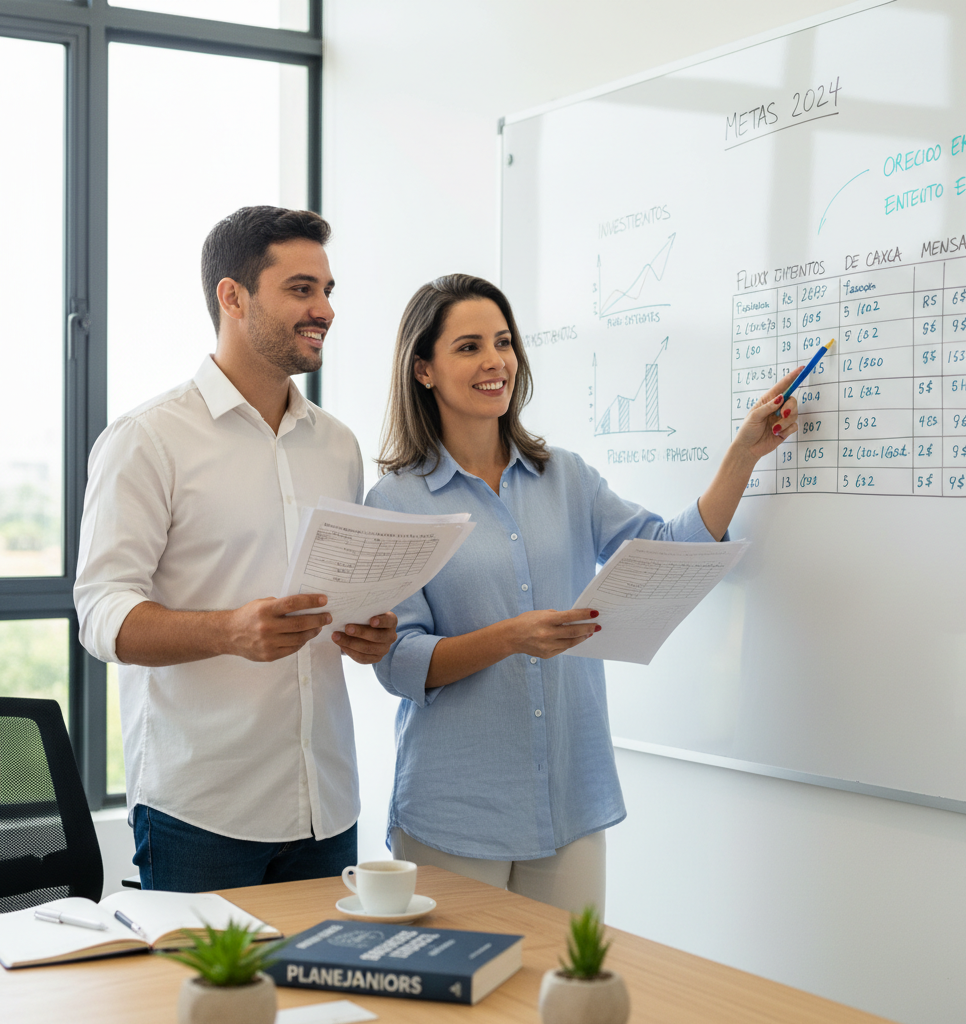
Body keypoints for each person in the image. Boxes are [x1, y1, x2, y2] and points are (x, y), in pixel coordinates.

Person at [364, 274, 800, 915]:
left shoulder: (562, 475)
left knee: (568, 999)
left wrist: (743, 455)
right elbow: (397, 662)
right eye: (468, 347)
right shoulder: (395, 501)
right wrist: (512, 637)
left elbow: (665, 551)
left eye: (504, 342)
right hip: (456, 808)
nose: (495, 362)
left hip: (569, 797)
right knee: (466, 1012)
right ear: (423, 369)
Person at [74, 206, 397, 892]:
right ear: (233, 296)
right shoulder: (147, 439)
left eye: (328, 291)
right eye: (301, 289)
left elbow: (338, 592)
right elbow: (102, 614)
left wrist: (366, 630)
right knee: (212, 1004)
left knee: (319, 1003)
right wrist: (229, 631)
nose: (324, 310)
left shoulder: (338, 444)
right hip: (203, 811)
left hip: (326, 803)